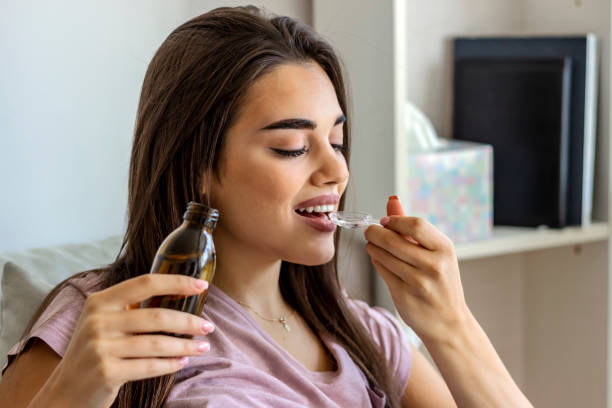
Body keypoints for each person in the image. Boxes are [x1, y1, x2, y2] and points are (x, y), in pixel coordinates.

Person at [0, 6, 532, 408]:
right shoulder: (103, 322)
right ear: (199, 165)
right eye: (292, 148)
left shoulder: (365, 335)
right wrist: (70, 393)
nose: (336, 171)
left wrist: (451, 325)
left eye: (337, 141)